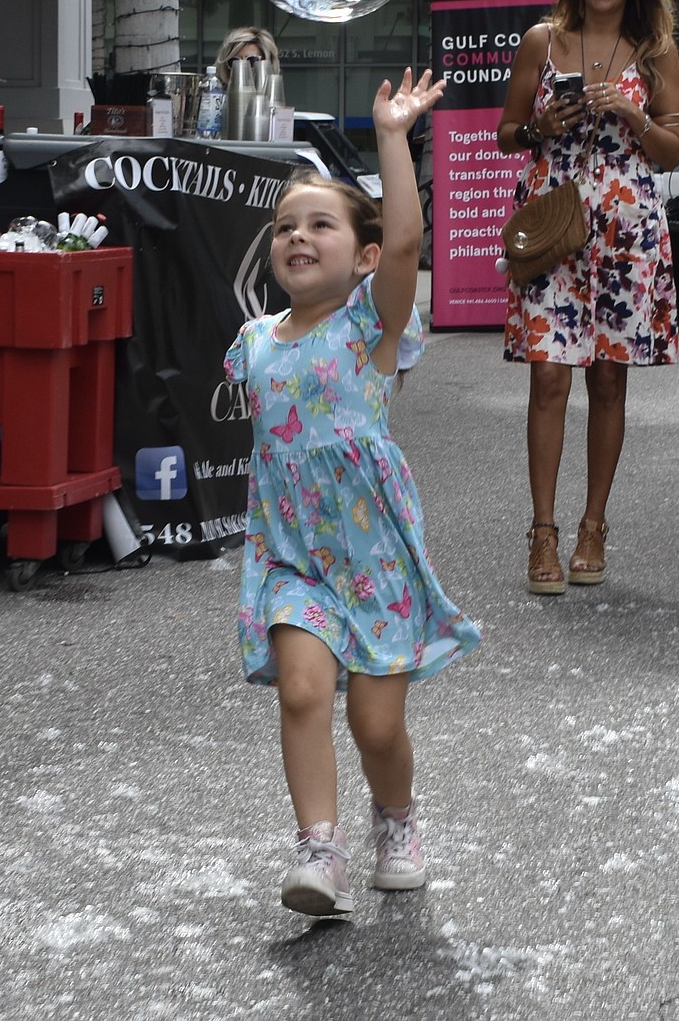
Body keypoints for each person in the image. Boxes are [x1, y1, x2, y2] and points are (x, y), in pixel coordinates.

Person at [224, 68, 481, 919]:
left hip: (373, 559)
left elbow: (408, 241)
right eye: (284, 227)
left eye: (320, 224)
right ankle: (318, 850)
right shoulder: (252, 340)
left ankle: (396, 820)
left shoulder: (370, 328)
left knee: (376, 727)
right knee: (301, 691)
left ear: (363, 257)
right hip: (293, 558)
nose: (298, 237)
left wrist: (393, 137)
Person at [496, 0, 679, 595]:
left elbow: (670, 150)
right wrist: (539, 127)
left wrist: (633, 116)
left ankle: (593, 524)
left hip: (627, 232)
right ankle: (542, 531)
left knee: (608, 379)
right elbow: (505, 133)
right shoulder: (542, 42)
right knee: (549, 376)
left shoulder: (656, 49)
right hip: (555, 226)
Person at [214, 25, 280, 89]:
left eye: (251, 60)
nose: (243, 67)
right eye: (235, 62)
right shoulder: (217, 97)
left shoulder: (274, 98)